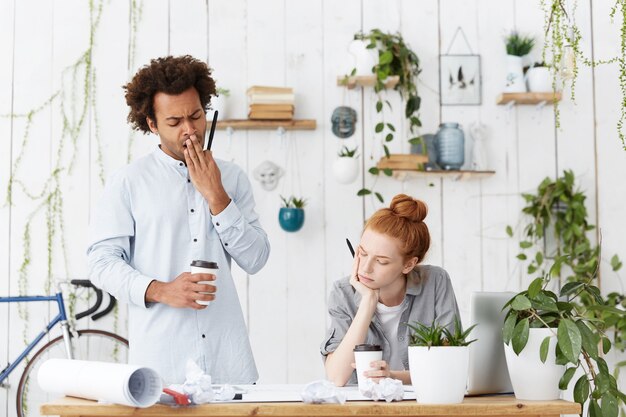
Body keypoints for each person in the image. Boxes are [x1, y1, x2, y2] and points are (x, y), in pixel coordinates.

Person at [87, 55, 270, 384]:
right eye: (174, 122)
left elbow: (256, 259)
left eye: (196, 116)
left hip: (229, 369)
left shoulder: (232, 178)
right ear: (152, 124)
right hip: (162, 370)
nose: (190, 130)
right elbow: (101, 263)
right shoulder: (128, 182)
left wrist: (217, 196)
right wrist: (158, 289)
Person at [321, 194, 460, 386]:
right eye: (362, 253)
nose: (365, 267)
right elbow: (336, 377)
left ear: (408, 265)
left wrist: (393, 377)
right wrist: (368, 303)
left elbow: (449, 366)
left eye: (381, 261)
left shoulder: (435, 282)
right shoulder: (343, 292)